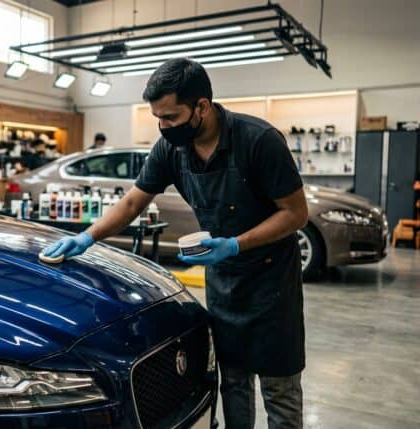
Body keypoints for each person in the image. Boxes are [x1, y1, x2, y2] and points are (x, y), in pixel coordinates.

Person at [42, 58, 307, 429]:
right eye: (158, 119)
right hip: (225, 283)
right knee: (232, 381)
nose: (163, 127)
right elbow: (134, 201)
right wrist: (87, 237)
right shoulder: (171, 149)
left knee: (279, 389)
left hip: (271, 283)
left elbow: (296, 213)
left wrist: (234, 244)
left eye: (170, 117)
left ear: (202, 106)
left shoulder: (258, 141)